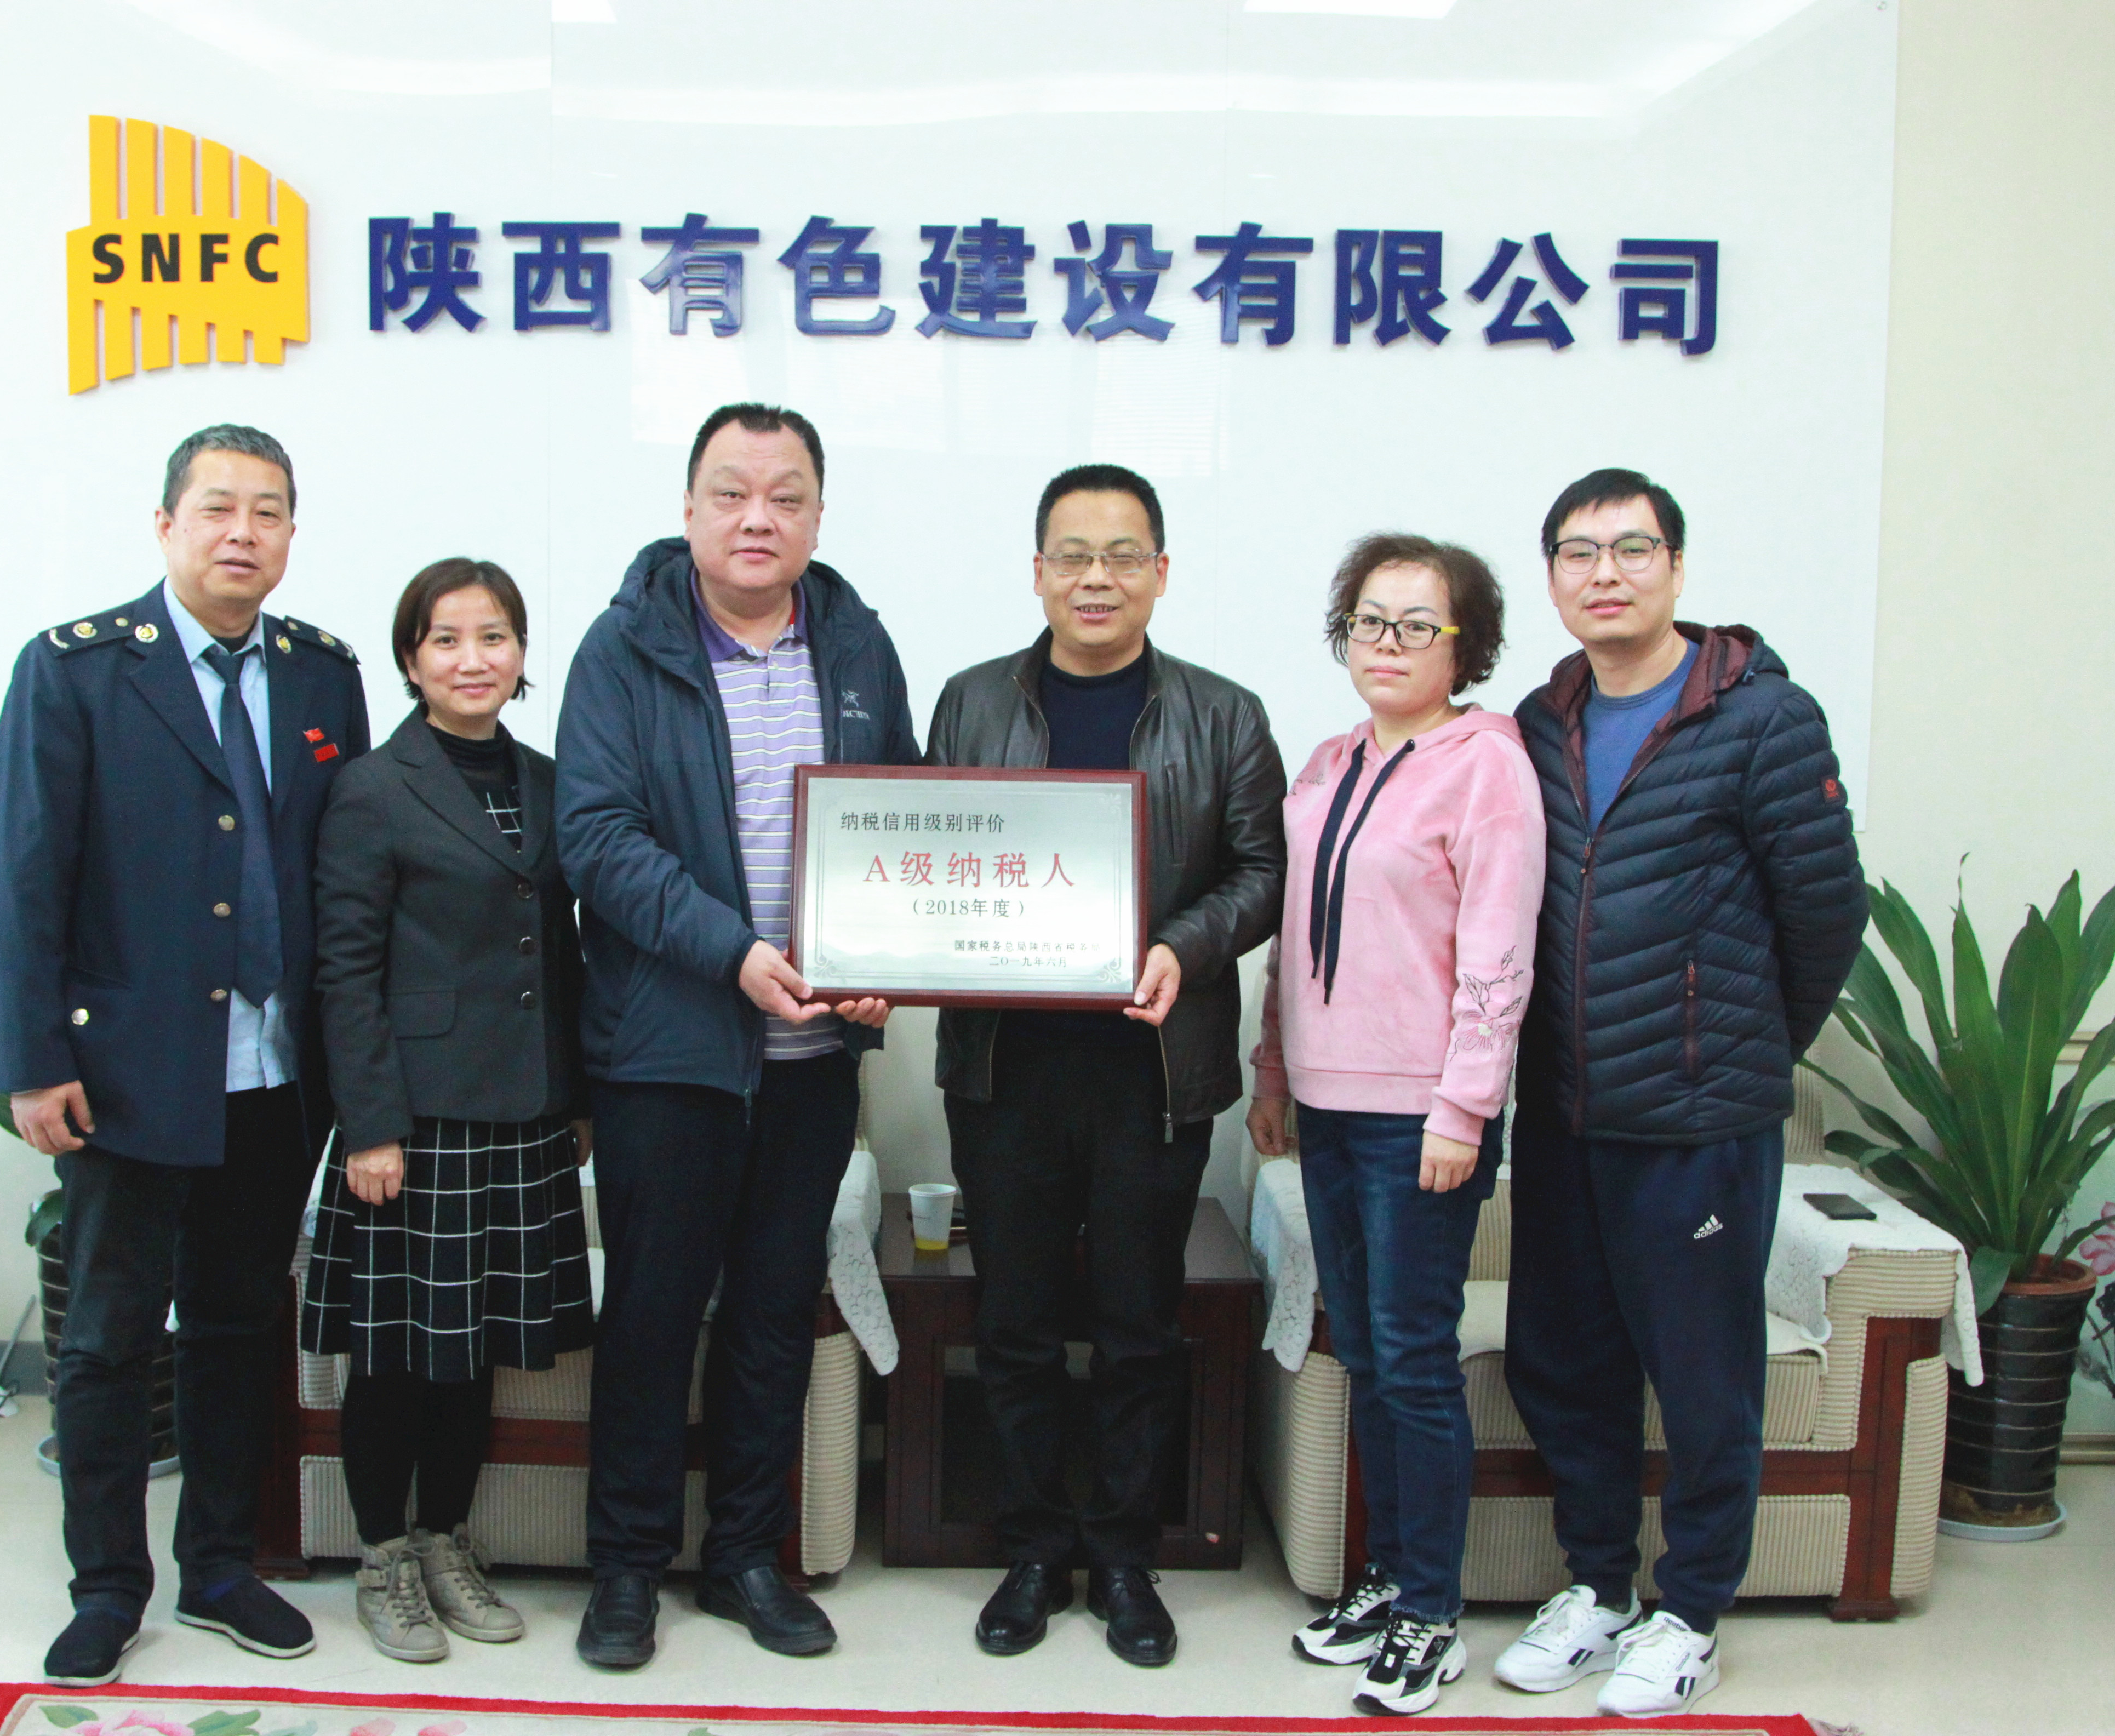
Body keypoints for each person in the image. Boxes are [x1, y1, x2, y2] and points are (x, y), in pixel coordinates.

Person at [0, 425, 368, 1687]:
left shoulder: (323, 678)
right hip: (128, 1071)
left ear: (292, 534)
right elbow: (24, 877)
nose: (242, 533)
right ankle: (108, 1586)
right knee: (106, 1338)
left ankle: (217, 1567)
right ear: (166, 526)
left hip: (274, 1070)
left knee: (236, 1324)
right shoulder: (79, 671)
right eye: (217, 508)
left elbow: (344, 873)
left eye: (268, 511)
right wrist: (33, 1060)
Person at [1494, 468, 1866, 1717]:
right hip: (1564, 1113)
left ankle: (1692, 1610)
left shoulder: (1762, 718)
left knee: (1704, 1382)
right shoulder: (1540, 721)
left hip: (1701, 1123)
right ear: (1553, 577)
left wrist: (1739, 1051)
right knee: (1565, 1362)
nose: (1605, 573)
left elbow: (1826, 915)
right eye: (1578, 552)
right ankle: (1598, 1588)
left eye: (1632, 548)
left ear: (1677, 566)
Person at [554, 403, 917, 1669]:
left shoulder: (859, 645)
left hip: (813, 1064)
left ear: (817, 514)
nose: (758, 517)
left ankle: (747, 1558)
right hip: (670, 1053)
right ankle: (626, 1568)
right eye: (732, 492)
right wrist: (734, 955)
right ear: (690, 509)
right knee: (654, 1316)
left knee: (772, 1315)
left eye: (786, 495)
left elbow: (899, 817)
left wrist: (886, 962)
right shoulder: (622, 650)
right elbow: (597, 839)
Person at [928, 463, 1286, 1668]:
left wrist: (1183, 945)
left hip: (1154, 1070)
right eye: (1073, 554)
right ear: (1038, 572)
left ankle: (1125, 1556)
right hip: (1005, 1067)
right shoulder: (972, 703)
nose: (1097, 577)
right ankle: (1034, 1549)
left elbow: (1264, 873)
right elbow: (929, 857)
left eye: (1123, 554)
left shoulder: (1224, 714)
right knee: (1016, 1322)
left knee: (1139, 1325)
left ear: (1161, 573)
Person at [1246, 534, 1544, 1715]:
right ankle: (1387, 1576)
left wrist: (1465, 1106)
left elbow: (1499, 956)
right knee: (1366, 1354)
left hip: (1422, 1120)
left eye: (1419, 625)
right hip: (1326, 1107)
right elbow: (1292, 936)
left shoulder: (1489, 767)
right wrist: (1274, 1068)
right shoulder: (1329, 762)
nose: (1389, 644)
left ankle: (1433, 1611)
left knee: (1416, 1362)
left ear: (1465, 646)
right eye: (1370, 621)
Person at [304, 557, 594, 1663]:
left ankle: (447, 1546)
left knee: (478, 1352)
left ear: (521, 654)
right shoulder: (374, 788)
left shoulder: (552, 779)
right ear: (411, 658)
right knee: (393, 1356)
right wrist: (370, 1124)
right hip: (415, 1121)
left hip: (524, 1113)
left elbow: (561, 955)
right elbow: (345, 970)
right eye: (446, 639)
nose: (473, 659)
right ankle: (383, 1560)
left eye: (494, 638)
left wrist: (576, 1096)